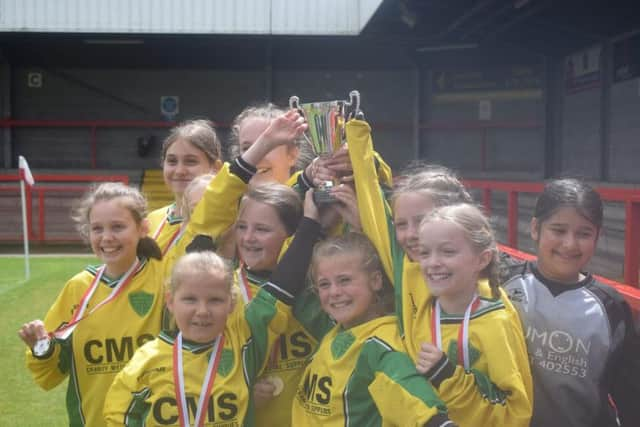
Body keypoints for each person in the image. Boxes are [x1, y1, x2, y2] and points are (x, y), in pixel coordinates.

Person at [271, 191, 456, 427]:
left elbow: (420, 409)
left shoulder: (380, 347)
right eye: (324, 284)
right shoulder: (334, 331)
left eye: (345, 280)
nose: (334, 292)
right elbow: (286, 277)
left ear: (376, 280)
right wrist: (312, 219)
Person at [18, 183, 168, 427]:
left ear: (143, 228)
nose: (107, 237)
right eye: (97, 229)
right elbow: (51, 373)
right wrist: (41, 348)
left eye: (118, 227)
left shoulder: (165, 279)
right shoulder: (79, 288)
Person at [503, 178, 640, 427]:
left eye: (584, 233)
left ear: (597, 237)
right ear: (535, 228)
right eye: (558, 230)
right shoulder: (505, 283)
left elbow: (629, 390)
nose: (569, 244)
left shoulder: (610, 307)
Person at [104, 251, 291, 426]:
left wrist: (309, 223)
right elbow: (118, 415)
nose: (202, 311)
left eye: (215, 300)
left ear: (231, 304)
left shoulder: (242, 343)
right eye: (190, 299)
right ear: (170, 301)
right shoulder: (146, 361)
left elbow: (281, 291)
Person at [415, 203, 532, 426]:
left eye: (448, 251)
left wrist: (448, 376)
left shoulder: (496, 323)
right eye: (424, 252)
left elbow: (515, 413)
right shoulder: (419, 311)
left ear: (482, 259)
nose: (433, 263)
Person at [232, 183, 318, 427]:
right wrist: (243, 393)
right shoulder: (222, 292)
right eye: (242, 227)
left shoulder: (317, 292)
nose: (248, 238)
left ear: (292, 236)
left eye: (262, 229)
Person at [148, 119, 223, 254]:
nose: (179, 171)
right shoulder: (151, 221)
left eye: (190, 161)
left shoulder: (225, 222)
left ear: (216, 168)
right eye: (172, 161)